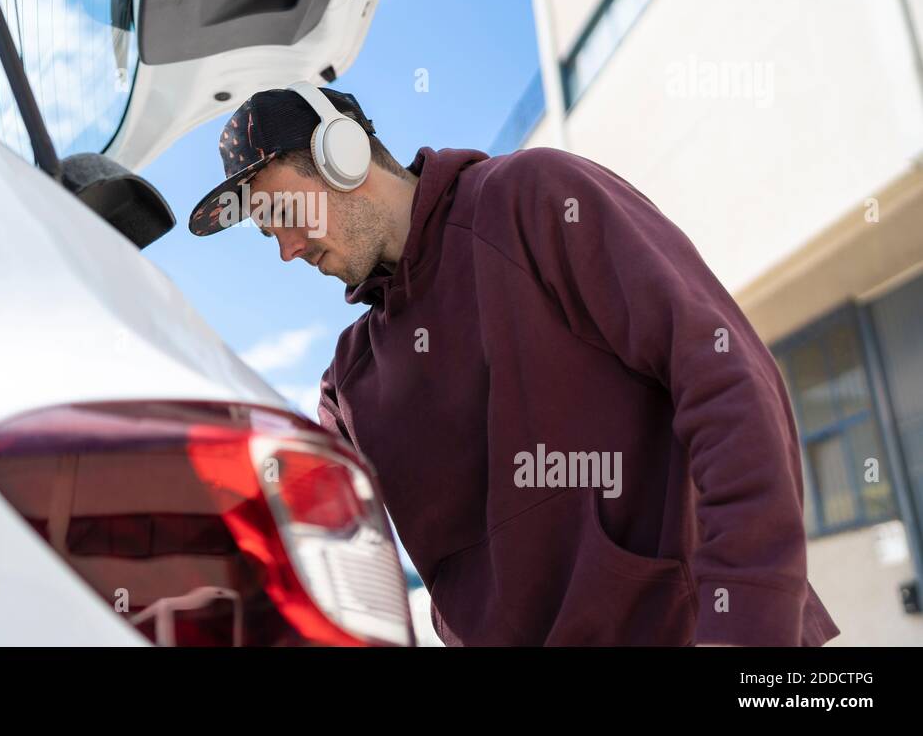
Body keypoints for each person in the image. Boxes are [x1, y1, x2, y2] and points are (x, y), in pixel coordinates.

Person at [188, 82, 839, 646]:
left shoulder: (533, 199)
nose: (286, 250)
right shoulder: (347, 384)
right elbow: (318, 551)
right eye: (267, 232)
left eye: (284, 212)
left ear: (344, 153)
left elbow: (728, 380)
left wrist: (747, 622)